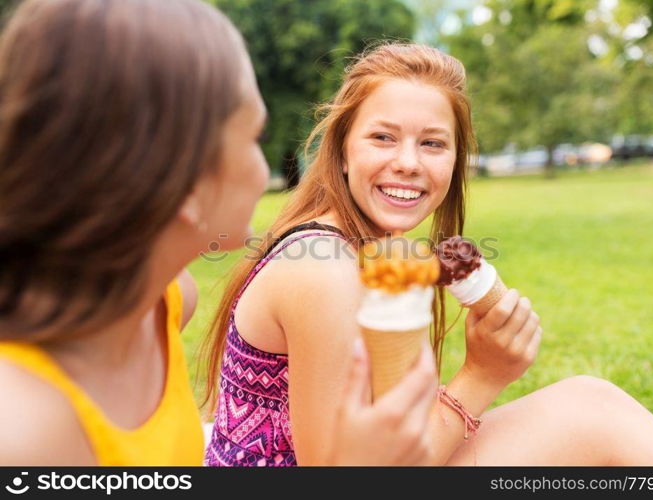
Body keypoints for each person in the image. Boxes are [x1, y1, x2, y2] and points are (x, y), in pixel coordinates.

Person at [203, 42, 653, 466]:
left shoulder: (371, 256)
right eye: (383, 137)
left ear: (456, 160)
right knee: (594, 416)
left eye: (433, 143)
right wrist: (483, 375)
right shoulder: (324, 269)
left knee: (592, 404)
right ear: (342, 148)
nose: (408, 163)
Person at [0, 0, 436, 466]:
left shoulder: (163, 303)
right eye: (253, 139)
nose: (260, 169)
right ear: (184, 181)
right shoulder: (26, 430)